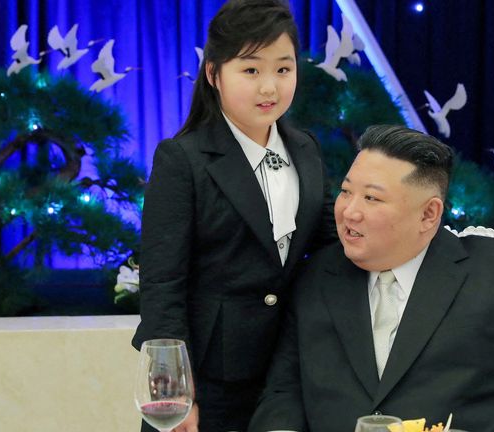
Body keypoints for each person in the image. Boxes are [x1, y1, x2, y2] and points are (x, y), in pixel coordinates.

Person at [248, 125, 494, 432]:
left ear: (429, 214)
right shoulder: (316, 276)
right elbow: (285, 388)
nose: (349, 211)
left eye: (371, 197)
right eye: (346, 191)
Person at [131, 1, 335, 431]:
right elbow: (162, 283)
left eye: (283, 69)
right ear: (213, 74)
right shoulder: (182, 159)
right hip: (207, 380)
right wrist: (174, 391)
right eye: (250, 70)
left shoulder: (305, 149)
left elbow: (328, 244)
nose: (270, 88)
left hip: (287, 374)